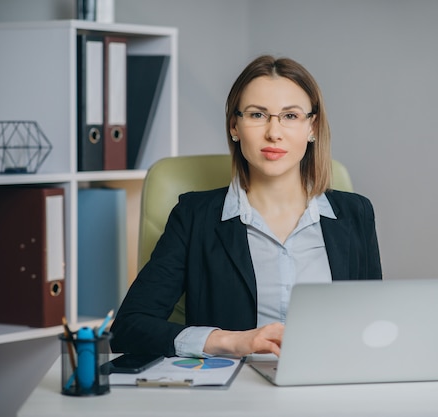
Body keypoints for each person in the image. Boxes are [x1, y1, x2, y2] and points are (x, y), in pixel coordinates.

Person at [109, 55, 382, 358]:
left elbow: (372, 324)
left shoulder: (356, 214)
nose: (274, 133)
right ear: (234, 126)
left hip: (331, 386)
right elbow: (129, 328)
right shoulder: (194, 217)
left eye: (290, 116)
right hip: (237, 391)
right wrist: (231, 341)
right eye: (257, 115)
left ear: (312, 127)